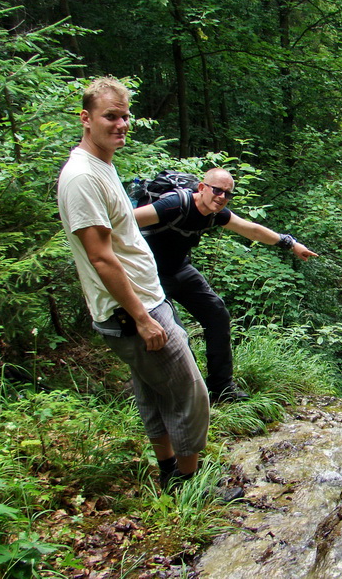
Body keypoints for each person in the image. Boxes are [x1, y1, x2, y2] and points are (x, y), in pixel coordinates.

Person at [57, 77, 232, 496]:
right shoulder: (82, 177)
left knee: (153, 392)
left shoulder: (101, 165)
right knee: (191, 394)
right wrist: (141, 317)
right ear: (86, 119)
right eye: (110, 117)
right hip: (134, 310)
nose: (120, 125)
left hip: (142, 302)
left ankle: (169, 470)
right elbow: (100, 256)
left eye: (124, 116)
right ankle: (191, 486)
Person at [133, 167, 318, 403]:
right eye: (217, 190)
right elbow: (125, 222)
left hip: (179, 269)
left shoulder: (215, 213)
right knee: (174, 334)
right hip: (149, 276)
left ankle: (221, 388)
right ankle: (185, 393)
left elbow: (251, 229)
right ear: (202, 188)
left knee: (217, 314)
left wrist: (290, 244)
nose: (222, 197)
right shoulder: (174, 206)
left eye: (227, 194)